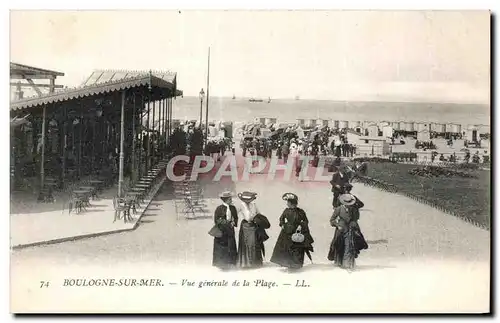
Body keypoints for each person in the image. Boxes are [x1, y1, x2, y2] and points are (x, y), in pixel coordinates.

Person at [270, 193, 314, 271]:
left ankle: (297, 265)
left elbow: (306, 221)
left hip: (297, 231)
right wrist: (282, 224)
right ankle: (288, 264)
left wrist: (301, 225)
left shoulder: (301, 211)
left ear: (292, 203)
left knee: (297, 248)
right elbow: (281, 219)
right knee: (287, 248)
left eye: (288, 202)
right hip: (287, 231)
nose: (287, 204)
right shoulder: (286, 211)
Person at [327, 194, 368, 271]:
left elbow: (355, 219)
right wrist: (337, 225)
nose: (348, 205)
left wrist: (354, 225)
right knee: (339, 246)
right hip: (340, 231)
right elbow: (332, 220)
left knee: (349, 246)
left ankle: (347, 264)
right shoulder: (338, 209)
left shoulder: (353, 209)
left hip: (350, 230)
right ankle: (339, 262)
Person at [237, 191, 270, 269]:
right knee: (246, 244)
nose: (248, 201)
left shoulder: (254, 205)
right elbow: (234, 214)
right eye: (246, 200)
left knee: (254, 243)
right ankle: (246, 263)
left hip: (254, 226)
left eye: (249, 200)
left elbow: (259, 214)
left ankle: (256, 263)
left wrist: (259, 220)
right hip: (245, 226)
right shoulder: (241, 205)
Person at [211, 191, 238, 270]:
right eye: (230, 199)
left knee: (231, 245)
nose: (231, 200)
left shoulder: (233, 208)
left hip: (230, 229)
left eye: (231, 198)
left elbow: (235, 217)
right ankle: (222, 264)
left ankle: (231, 262)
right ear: (226, 199)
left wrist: (233, 222)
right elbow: (216, 220)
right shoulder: (219, 208)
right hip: (222, 230)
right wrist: (224, 223)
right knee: (222, 247)